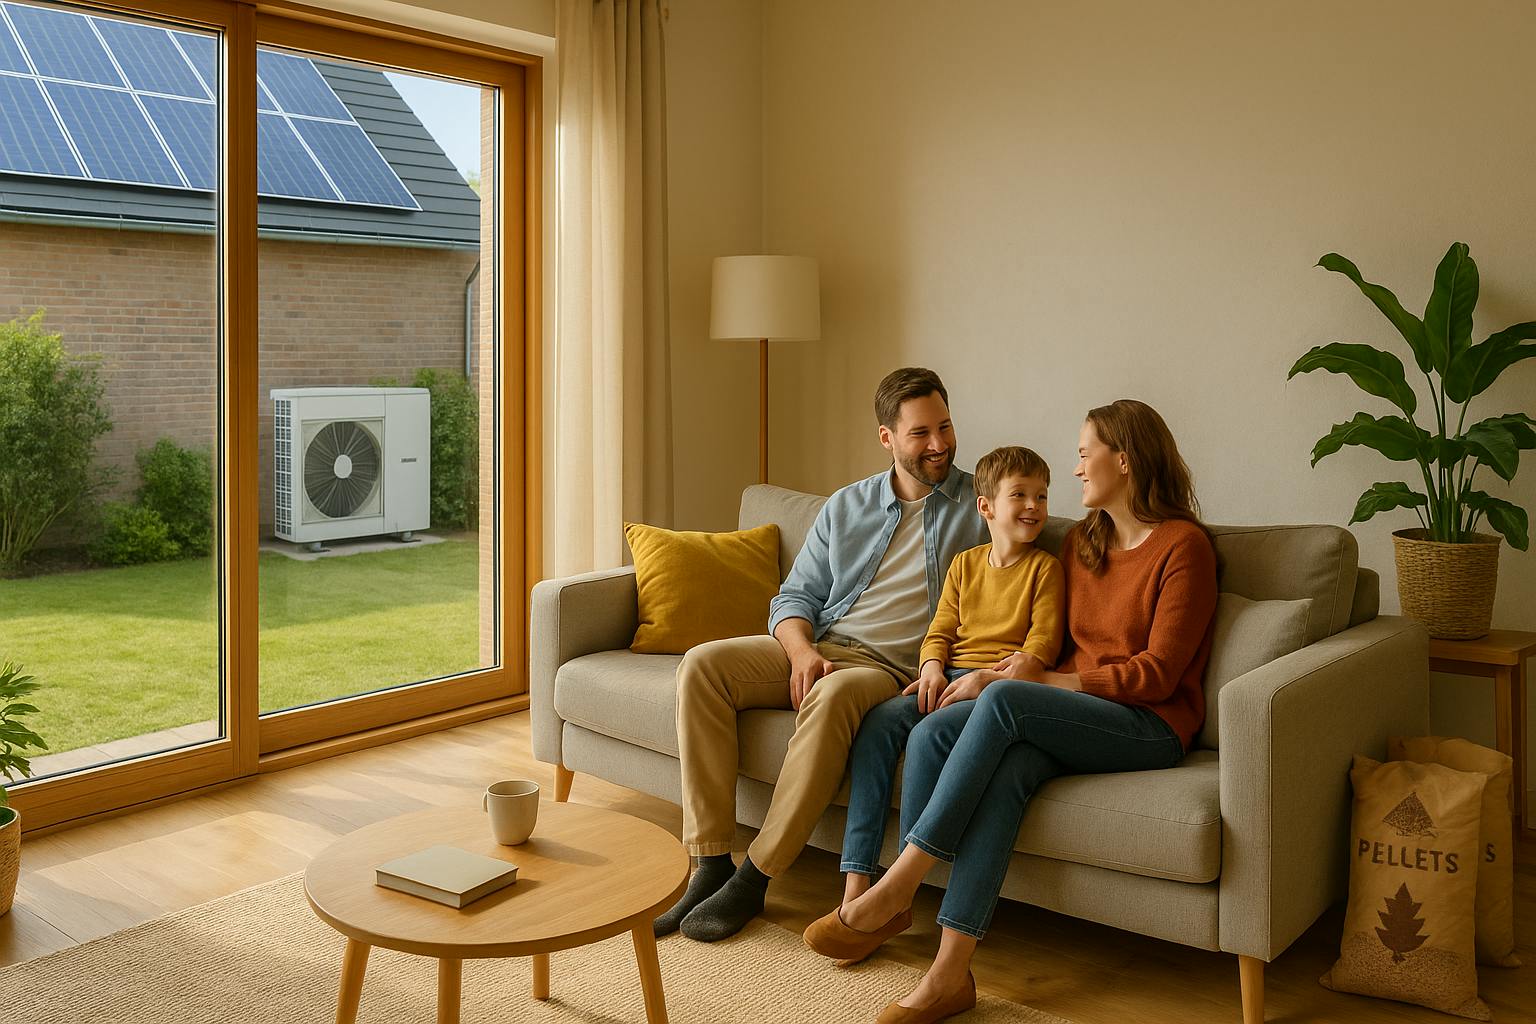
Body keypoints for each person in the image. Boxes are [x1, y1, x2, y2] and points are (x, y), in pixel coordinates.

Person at [804, 400, 1219, 1024]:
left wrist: (1036, 679)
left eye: (1085, 453)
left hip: (1150, 725)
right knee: (954, 741)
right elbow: (1053, 633)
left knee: (998, 698)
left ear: (1125, 460)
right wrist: (979, 674)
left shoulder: (1183, 548)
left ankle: (902, 881)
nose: (1078, 469)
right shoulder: (1085, 541)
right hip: (1077, 714)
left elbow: (1157, 674)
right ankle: (949, 975)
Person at [655, 367, 989, 942]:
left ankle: (757, 876)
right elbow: (794, 596)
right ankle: (710, 861)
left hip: (892, 670)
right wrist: (802, 650)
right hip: (825, 641)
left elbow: (1013, 579)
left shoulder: (980, 507)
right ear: (887, 438)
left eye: (946, 426)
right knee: (703, 665)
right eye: (920, 434)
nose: (939, 444)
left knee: (833, 692)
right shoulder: (846, 505)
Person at [827, 445, 1063, 939]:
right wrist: (932, 666)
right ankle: (857, 881)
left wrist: (1016, 667)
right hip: (949, 674)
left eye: (1041, 495)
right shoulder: (965, 564)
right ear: (986, 507)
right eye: (1019, 494)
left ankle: (902, 887)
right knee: (879, 724)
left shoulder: (1045, 569)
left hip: (997, 688)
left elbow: (1043, 640)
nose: (1033, 506)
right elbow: (941, 629)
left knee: (927, 734)